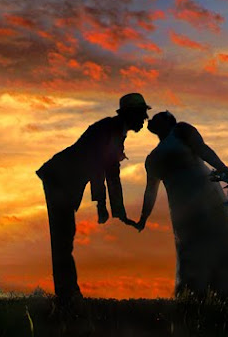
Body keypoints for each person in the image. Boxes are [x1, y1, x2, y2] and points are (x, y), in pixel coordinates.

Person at [36, 92, 150, 302]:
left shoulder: (116, 132)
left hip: (63, 180)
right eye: (142, 114)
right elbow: (98, 166)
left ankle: (67, 292)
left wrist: (118, 212)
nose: (145, 119)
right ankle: (67, 294)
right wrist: (101, 204)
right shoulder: (109, 130)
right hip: (60, 178)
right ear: (130, 114)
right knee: (63, 235)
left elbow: (111, 172)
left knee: (65, 234)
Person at [133, 111, 228, 296]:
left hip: (206, 196)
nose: (150, 119)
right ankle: (197, 294)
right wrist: (143, 218)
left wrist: (226, 172)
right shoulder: (152, 159)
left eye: (157, 116)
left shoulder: (181, 130)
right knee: (192, 247)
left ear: (168, 121)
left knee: (222, 239)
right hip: (181, 208)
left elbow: (204, 151)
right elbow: (150, 190)